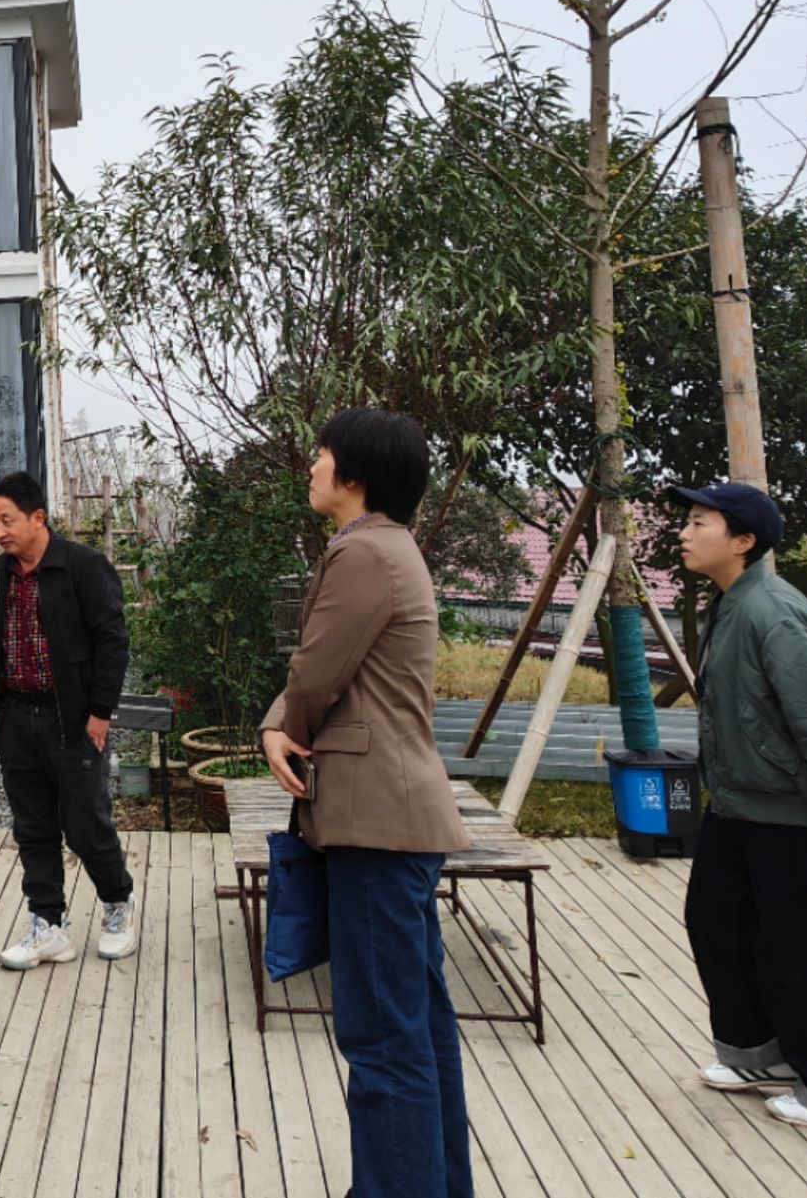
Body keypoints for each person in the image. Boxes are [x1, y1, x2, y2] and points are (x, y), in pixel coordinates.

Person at [258, 407, 472, 1198]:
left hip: (376, 824)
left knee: (383, 1038)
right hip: (397, 819)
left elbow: (314, 673)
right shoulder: (391, 547)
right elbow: (326, 671)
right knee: (417, 1028)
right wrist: (285, 720)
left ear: (354, 475)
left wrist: (279, 727)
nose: (312, 465)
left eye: (322, 453)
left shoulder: (362, 551)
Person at [670, 481, 807, 1131]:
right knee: (716, 922)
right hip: (737, 803)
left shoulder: (774, 612)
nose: (684, 532)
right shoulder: (731, 603)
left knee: (796, 946)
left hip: (789, 812)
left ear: (743, 540)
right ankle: (758, 1053)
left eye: (699, 522)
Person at [0, 469, 137, 969]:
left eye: (7, 520)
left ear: (38, 518)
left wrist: (100, 713)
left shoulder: (82, 567)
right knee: (33, 828)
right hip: (16, 720)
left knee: (86, 825)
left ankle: (117, 905)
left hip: (74, 720)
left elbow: (113, 641)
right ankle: (48, 925)